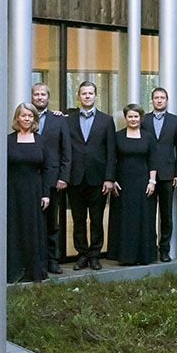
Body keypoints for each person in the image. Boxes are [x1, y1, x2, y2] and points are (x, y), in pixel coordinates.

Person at [66, 80, 115, 271]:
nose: (87, 96)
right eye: (83, 93)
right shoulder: (68, 120)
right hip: (75, 177)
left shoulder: (106, 120)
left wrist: (109, 178)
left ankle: (95, 255)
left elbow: (111, 151)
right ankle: (82, 254)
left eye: (90, 93)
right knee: (78, 219)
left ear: (95, 96)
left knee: (96, 219)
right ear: (78, 96)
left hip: (98, 178)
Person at [7, 103, 56, 283]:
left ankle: (33, 271)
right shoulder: (8, 140)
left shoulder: (41, 140)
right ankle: (13, 271)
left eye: (30, 116)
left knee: (33, 230)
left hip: (35, 192)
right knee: (14, 229)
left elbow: (46, 169)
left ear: (34, 119)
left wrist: (46, 194)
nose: (26, 119)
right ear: (17, 118)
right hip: (13, 192)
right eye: (23, 115)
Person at [31, 83, 71, 275]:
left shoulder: (59, 120)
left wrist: (64, 176)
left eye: (43, 94)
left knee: (51, 222)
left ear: (48, 97)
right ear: (32, 97)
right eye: (36, 94)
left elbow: (66, 150)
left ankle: (52, 260)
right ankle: (34, 259)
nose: (39, 97)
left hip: (53, 177)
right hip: (30, 176)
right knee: (32, 219)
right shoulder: (26, 116)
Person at [111, 105, 159, 266]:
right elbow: (112, 159)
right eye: (130, 116)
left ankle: (143, 256)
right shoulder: (117, 136)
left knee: (143, 218)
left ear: (140, 118)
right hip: (123, 183)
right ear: (126, 118)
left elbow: (153, 161)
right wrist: (113, 180)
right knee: (125, 219)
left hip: (143, 183)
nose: (133, 119)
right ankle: (125, 256)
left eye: (136, 116)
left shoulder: (148, 137)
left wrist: (152, 181)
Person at [147, 87, 177, 263]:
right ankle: (149, 248)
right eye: (156, 97)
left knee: (166, 214)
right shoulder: (144, 120)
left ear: (167, 100)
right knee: (148, 213)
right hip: (148, 175)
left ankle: (164, 249)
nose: (159, 100)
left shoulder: (175, 121)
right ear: (152, 100)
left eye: (162, 98)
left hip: (169, 174)